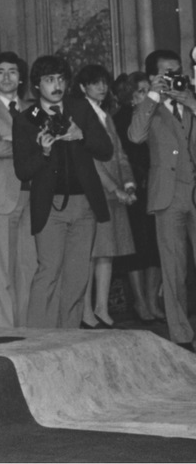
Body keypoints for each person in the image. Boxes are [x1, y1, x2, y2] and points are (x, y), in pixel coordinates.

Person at [13, 55, 112, 329]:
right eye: (48, 80)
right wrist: (44, 151)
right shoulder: (26, 119)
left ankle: (69, 336)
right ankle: (35, 338)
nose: (56, 85)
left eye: (60, 79)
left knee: (78, 276)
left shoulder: (79, 108)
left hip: (84, 206)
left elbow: (106, 149)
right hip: (50, 206)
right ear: (36, 86)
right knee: (49, 272)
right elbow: (22, 171)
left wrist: (82, 134)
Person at [128, 50, 196, 352]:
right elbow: (134, 136)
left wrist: (190, 101)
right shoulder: (148, 106)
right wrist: (153, 95)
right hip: (167, 198)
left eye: (177, 71)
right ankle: (182, 337)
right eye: (166, 73)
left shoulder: (192, 100)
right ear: (154, 75)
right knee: (175, 271)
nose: (174, 77)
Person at [74, 65, 137, 329]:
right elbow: (90, 160)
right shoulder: (81, 114)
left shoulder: (106, 114)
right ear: (82, 87)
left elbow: (119, 153)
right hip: (95, 191)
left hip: (116, 191)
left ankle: (102, 306)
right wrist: (115, 188)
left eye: (103, 83)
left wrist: (130, 183)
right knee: (92, 253)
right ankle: (85, 309)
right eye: (95, 83)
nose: (101, 87)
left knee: (108, 253)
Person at [0, 51, 36, 328]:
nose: (6, 77)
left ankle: (26, 326)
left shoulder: (34, 109)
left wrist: (16, 141)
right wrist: (31, 145)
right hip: (2, 196)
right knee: (3, 268)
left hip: (32, 193)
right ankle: (4, 328)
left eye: (12, 71)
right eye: (0, 71)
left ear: (20, 77)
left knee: (29, 266)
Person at [111, 71, 165, 323]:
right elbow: (121, 157)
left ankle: (153, 302)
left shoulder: (158, 115)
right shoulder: (120, 119)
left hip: (156, 189)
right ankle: (140, 302)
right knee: (137, 249)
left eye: (148, 90)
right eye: (141, 91)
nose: (146, 95)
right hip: (133, 191)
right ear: (131, 96)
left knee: (155, 248)